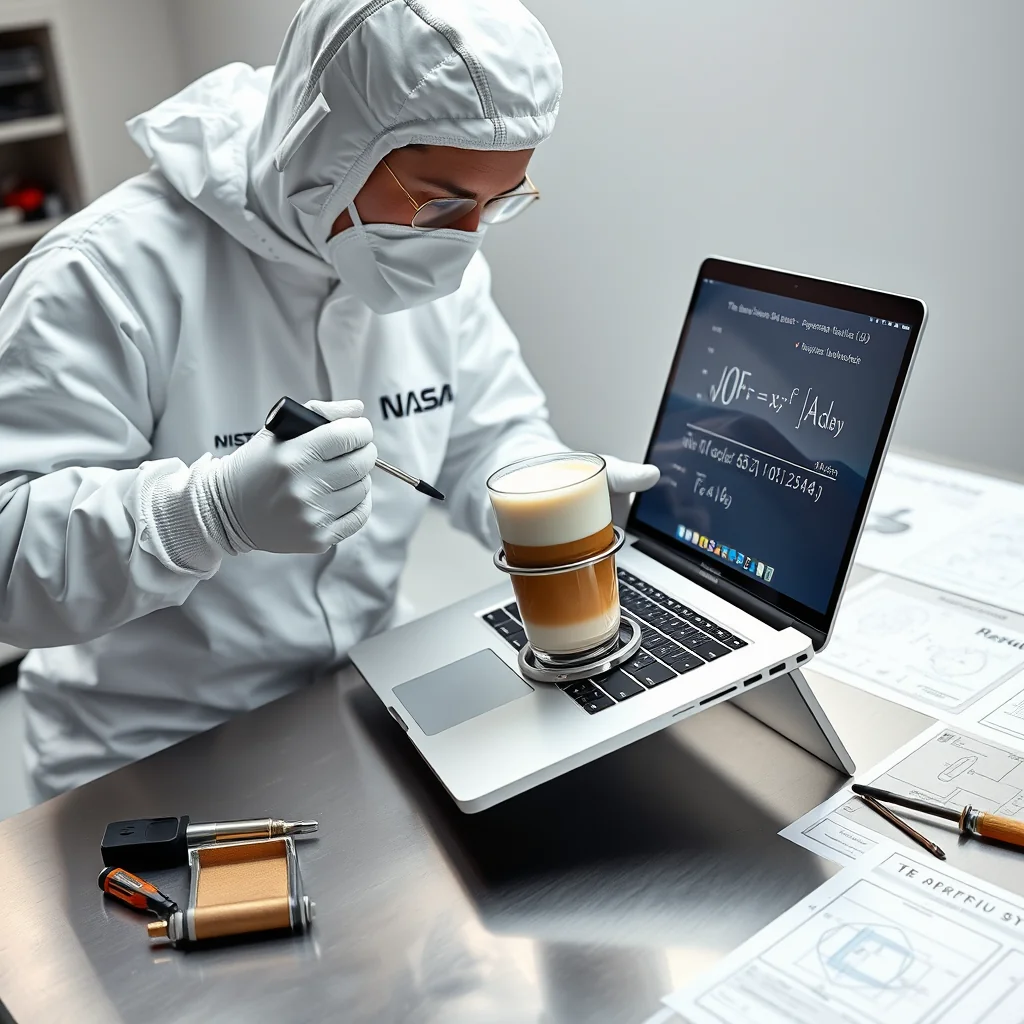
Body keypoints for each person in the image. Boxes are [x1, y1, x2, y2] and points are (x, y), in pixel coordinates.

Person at [0, 0, 658, 798]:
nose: (465, 241)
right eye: (443, 203)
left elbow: (491, 430)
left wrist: (548, 488)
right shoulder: (105, 274)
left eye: (499, 202)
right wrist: (204, 516)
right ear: (327, 149)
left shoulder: (436, 257)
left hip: (364, 701)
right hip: (151, 748)